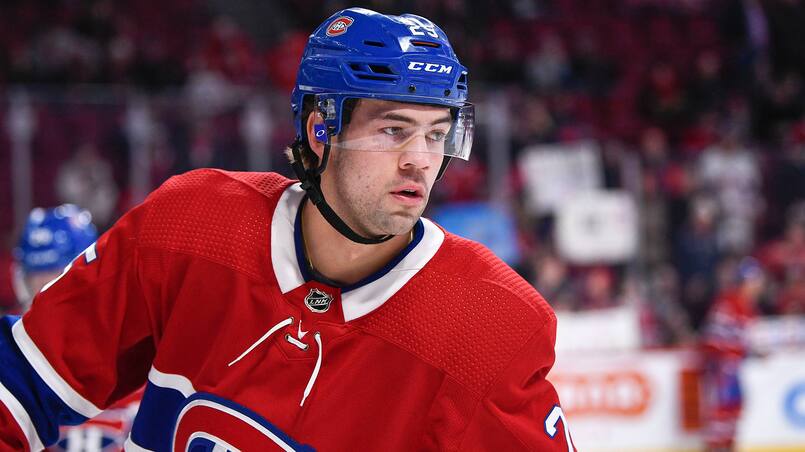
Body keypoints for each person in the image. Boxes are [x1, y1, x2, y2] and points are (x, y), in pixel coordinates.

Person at [0, 8, 574, 451]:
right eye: (393, 130)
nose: (420, 160)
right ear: (320, 129)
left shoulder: (490, 326)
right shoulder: (190, 225)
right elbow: (20, 386)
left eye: (436, 134)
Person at [10, 204, 140, 452]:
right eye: (35, 279)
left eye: (56, 276)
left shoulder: (135, 347)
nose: (42, 292)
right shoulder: (12, 357)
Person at [700, 257, 766, 452]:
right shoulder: (727, 304)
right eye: (755, 281)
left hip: (735, 369)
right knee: (721, 413)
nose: (758, 286)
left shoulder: (750, 308)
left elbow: (746, 340)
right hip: (722, 370)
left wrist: (752, 351)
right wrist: (735, 352)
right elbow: (713, 340)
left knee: (734, 412)